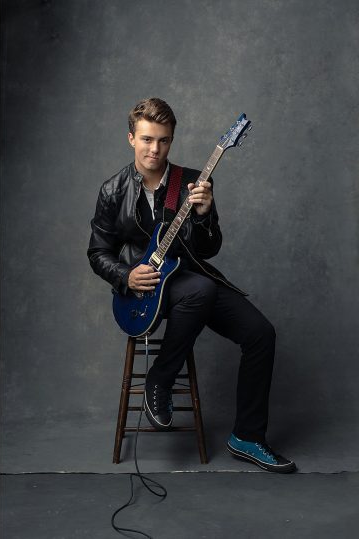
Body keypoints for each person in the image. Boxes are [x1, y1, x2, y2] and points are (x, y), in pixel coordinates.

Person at [87, 98, 295, 473]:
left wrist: (202, 215)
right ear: (131, 138)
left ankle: (247, 436)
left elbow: (209, 249)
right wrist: (125, 275)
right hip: (145, 291)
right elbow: (97, 252)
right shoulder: (113, 191)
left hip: (191, 278)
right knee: (201, 289)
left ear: (172, 140)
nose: (155, 149)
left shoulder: (192, 182)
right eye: (148, 139)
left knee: (261, 333)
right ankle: (161, 381)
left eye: (164, 140)